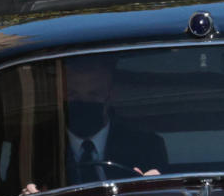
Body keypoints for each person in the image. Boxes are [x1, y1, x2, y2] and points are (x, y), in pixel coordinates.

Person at [61, 55, 168, 185]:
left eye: (93, 95)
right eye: (73, 95)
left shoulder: (147, 147)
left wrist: (151, 186)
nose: (84, 102)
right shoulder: (36, 148)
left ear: (110, 95)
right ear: (61, 97)